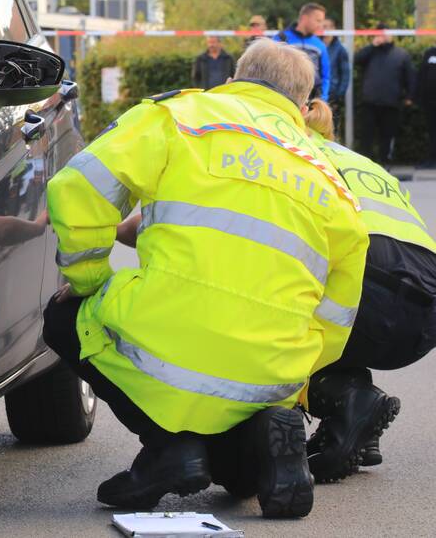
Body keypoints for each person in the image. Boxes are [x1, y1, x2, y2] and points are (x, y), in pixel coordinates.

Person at [43, 39, 368, 517]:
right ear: (303, 106)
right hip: (271, 371)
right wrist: (292, 372)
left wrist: (90, 281)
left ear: (233, 79)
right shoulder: (330, 177)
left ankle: (169, 447)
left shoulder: (178, 116)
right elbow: (338, 313)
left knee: (63, 316)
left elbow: (78, 187)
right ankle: (262, 435)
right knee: (236, 475)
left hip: (169, 338)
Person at [301, 99, 436, 481]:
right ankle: (360, 430)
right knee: (336, 311)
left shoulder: (292, 155)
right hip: (426, 306)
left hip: (374, 292)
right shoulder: (359, 161)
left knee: (272, 313)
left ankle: (347, 400)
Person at [356, 25, 415, 164]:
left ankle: (385, 163)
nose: (383, 36)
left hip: (391, 103)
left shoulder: (401, 54)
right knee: (367, 136)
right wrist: (372, 46)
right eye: (380, 33)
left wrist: (409, 97)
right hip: (370, 102)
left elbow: (410, 77)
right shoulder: (371, 52)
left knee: (387, 136)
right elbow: (357, 60)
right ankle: (364, 164)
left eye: (385, 33)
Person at [273, 2, 331, 101]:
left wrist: (322, 99)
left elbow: (326, 77)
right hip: (284, 98)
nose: (320, 25)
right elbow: (270, 69)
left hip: (312, 100)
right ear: (304, 18)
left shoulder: (320, 45)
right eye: (318, 20)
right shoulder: (281, 38)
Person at [322, 18, 350, 126]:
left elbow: (345, 75)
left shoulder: (340, 49)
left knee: (331, 127)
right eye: (322, 26)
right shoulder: (317, 46)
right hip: (317, 94)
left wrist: (338, 96)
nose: (324, 29)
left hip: (332, 96)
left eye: (326, 26)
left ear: (333, 29)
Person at [416, 43, 436, 168]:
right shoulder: (430, 52)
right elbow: (422, 75)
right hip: (429, 103)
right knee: (432, 132)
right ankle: (432, 159)